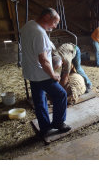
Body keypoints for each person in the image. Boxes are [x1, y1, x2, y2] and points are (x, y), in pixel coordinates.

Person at [20, 7, 71, 137]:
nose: (54, 26)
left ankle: (45, 128)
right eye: (54, 22)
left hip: (31, 72)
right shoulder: (39, 33)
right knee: (61, 95)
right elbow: (43, 59)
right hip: (42, 74)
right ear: (47, 17)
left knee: (40, 100)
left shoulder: (28, 25)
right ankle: (58, 123)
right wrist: (53, 75)